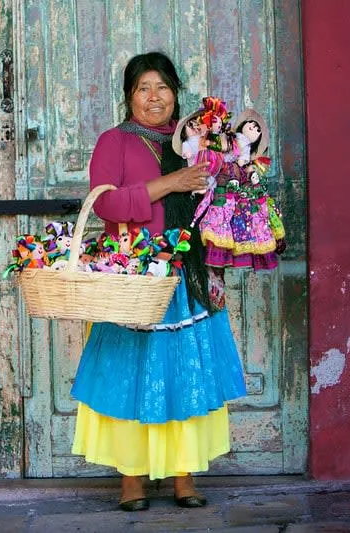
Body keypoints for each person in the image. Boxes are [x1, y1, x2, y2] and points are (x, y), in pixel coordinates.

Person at [70, 52, 248, 511]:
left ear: (176, 93)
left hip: (188, 271)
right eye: (144, 88)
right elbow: (107, 205)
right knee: (135, 374)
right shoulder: (115, 141)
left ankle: (183, 476)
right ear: (129, 95)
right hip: (138, 276)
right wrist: (171, 183)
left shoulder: (197, 140)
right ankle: (131, 481)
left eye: (163, 87)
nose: (155, 97)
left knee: (184, 373)